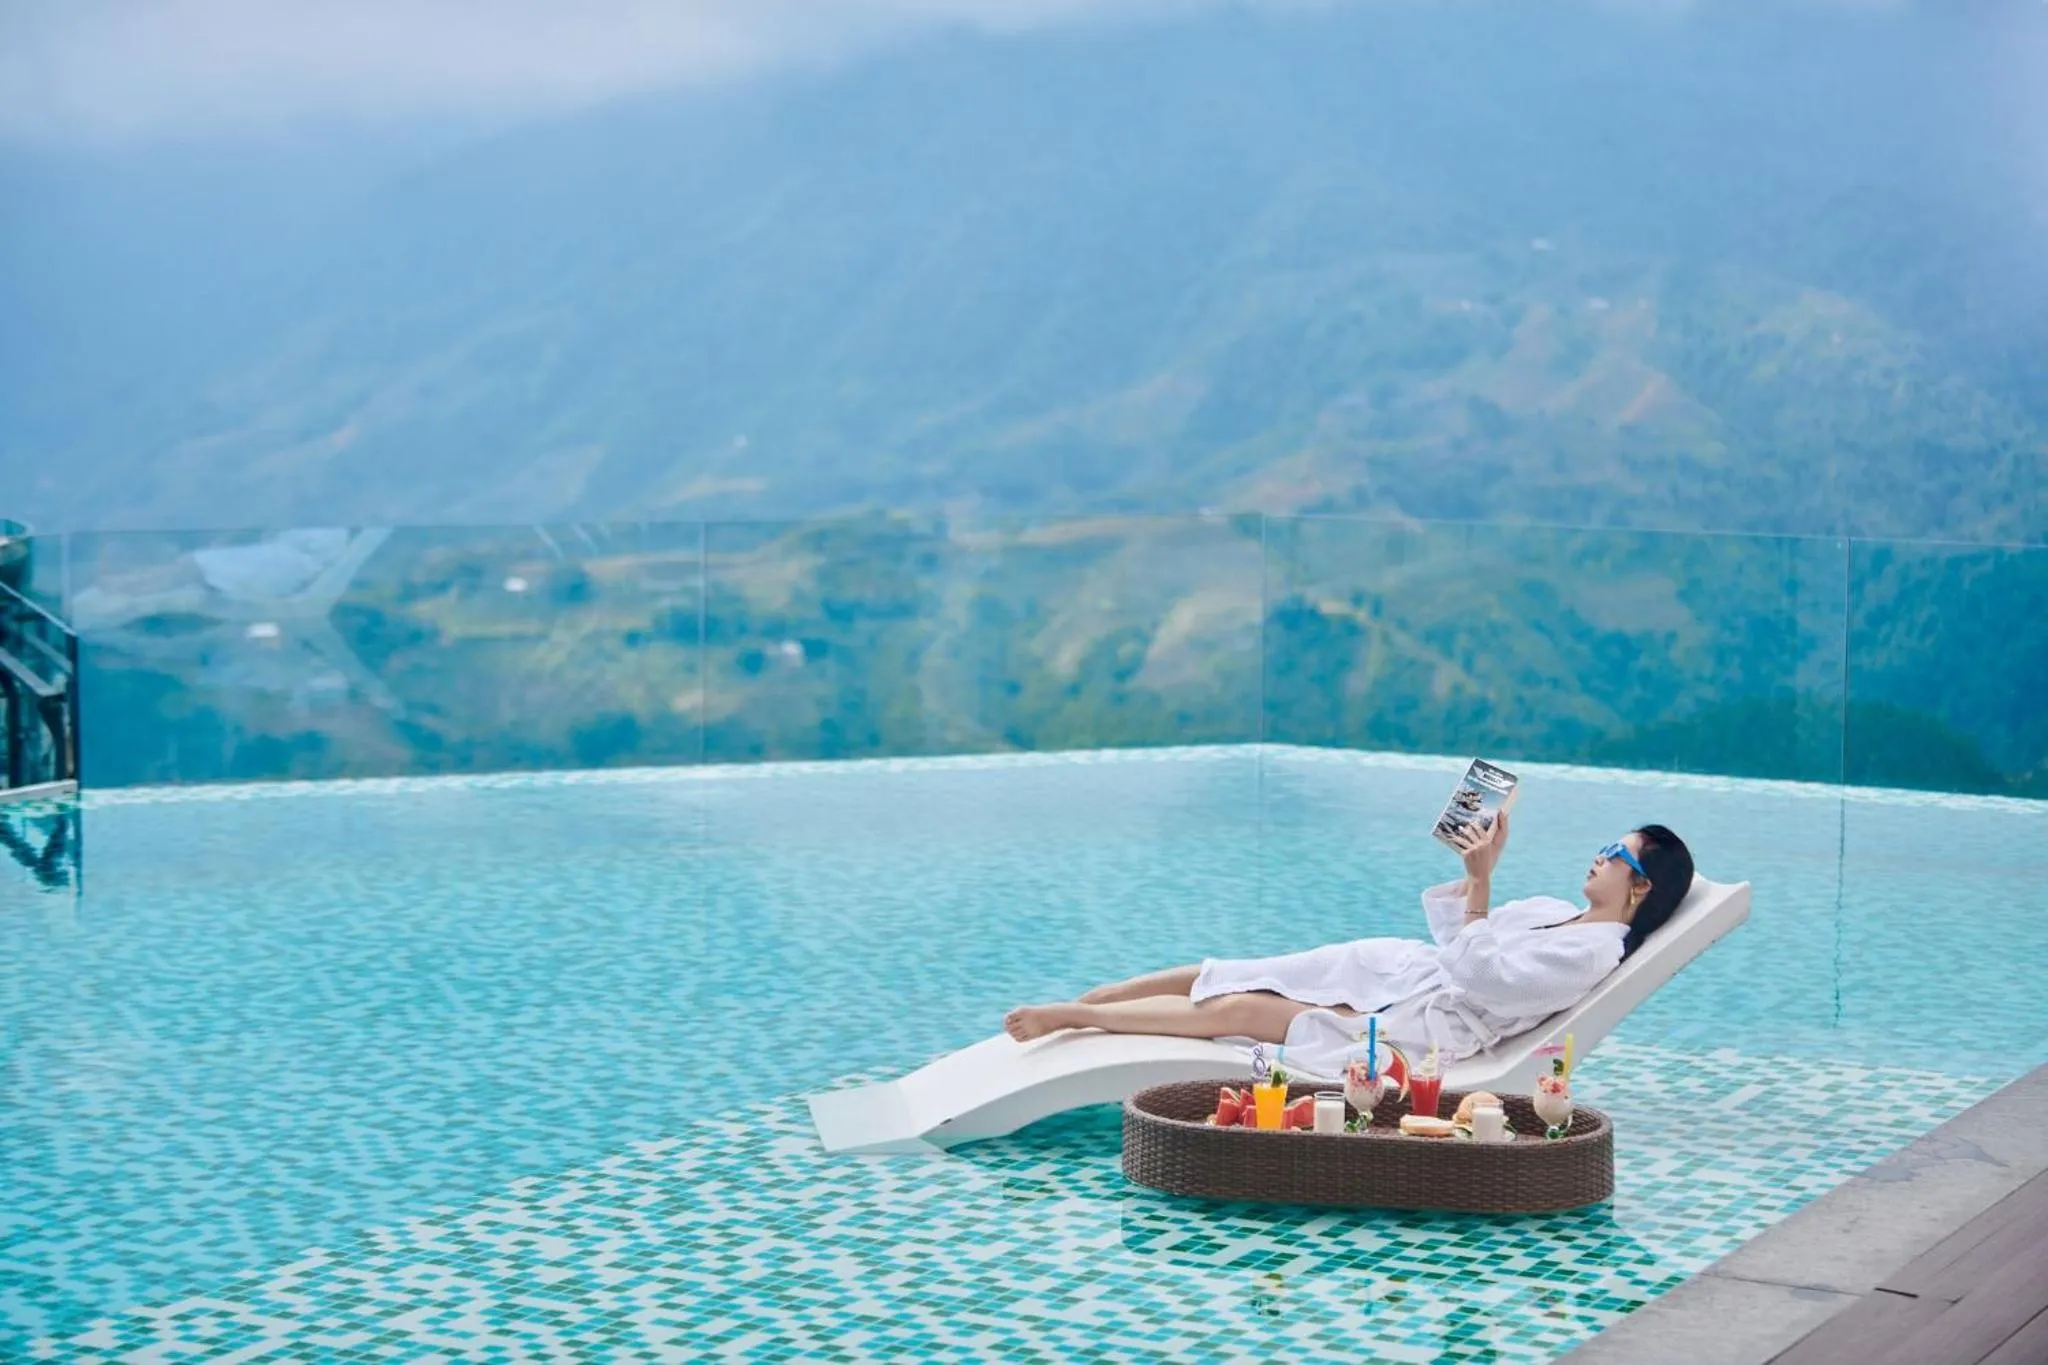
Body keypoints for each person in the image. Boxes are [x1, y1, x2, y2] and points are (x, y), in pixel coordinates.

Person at [1003, 813, 1695, 1075]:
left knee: (1245, 1007)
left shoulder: (1593, 954)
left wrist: (1481, 886)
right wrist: (1471, 870)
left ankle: (1078, 1018)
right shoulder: (1553, 911)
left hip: (1421, 1027)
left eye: (1616, 856)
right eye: (1606, 845)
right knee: (1246, 969)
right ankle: (1096, 997)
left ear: (1639, 891)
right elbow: (1459, 939)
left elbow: (1487, 981)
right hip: (1403, 969)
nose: (1598, 856)